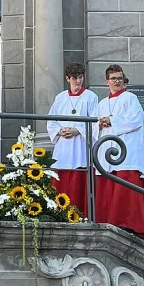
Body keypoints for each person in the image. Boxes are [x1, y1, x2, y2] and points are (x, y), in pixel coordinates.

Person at [92, 64, 144, 239]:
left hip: (126, 154)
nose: (116, 81)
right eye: (113, 78)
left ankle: (127, 225)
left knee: (125, 190)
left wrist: (111, 121)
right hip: (106, 153)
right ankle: (107, 223)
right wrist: (99, 124)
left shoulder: (130, 98)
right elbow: (92, 126)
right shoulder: (102, 103)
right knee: (107, 189)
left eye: (119, 78)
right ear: (107, 82)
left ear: (124, 81)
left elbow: (135, 121)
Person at [47, 63, 98, 216]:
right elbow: (51, 121)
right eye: (75, 78)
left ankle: (80, 215)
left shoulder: (91, 97)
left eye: (81, 77)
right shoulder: (60, 97)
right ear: (67, 78)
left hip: (80, 146)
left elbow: (95, 122)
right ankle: (58, 216)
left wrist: (78, 130)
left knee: (79, 183)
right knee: (60, 181)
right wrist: (59, 130)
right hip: (63, 147)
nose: (78, 81)